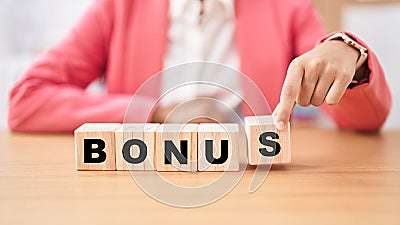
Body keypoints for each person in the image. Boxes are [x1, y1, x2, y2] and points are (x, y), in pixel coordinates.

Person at [8, 0, 391, 132]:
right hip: (140, 192)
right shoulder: (120, 8)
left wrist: (349, 56)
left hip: (260, 190)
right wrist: (156, 112)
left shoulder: (284, 7)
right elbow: (27, 100)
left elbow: (361, 118)